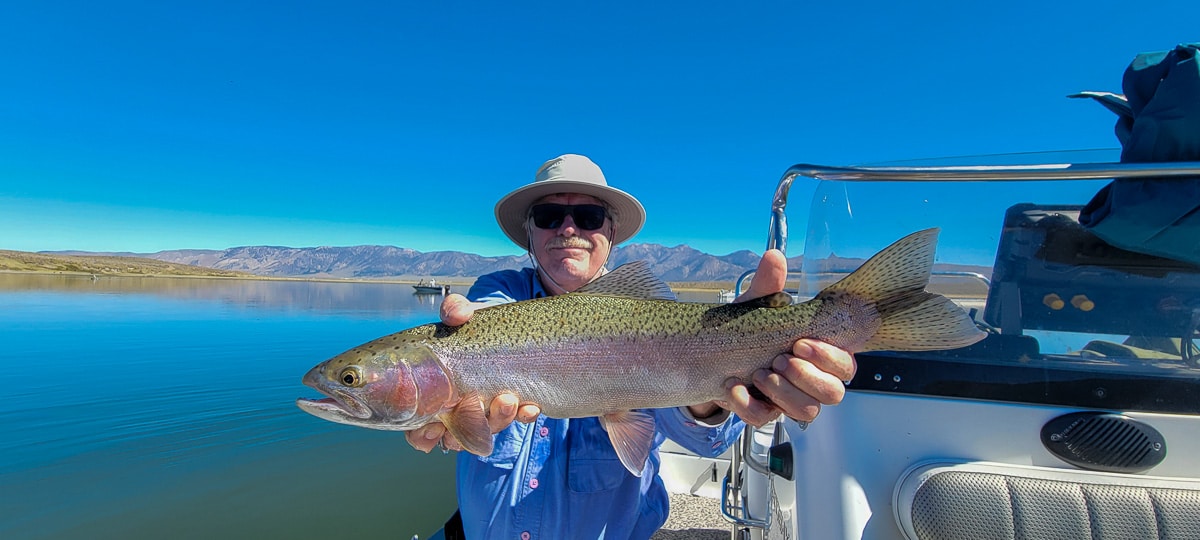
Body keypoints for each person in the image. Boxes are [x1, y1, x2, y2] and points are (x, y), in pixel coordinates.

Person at [404, 154, 856, 539]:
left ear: (611, 233)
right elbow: (475, 317)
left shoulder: (654, 319)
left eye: (588, 217)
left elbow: (704, 439)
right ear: (529, 235)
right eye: (548, 217)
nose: (567, 229)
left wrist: (714, 387)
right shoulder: (497, 297)